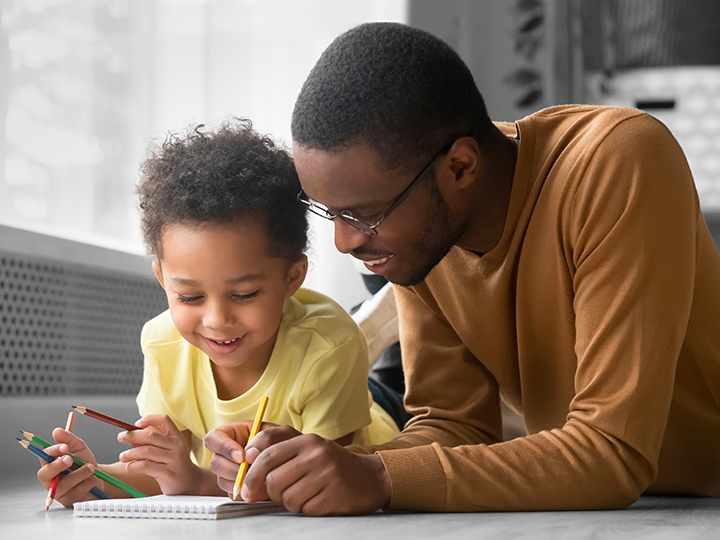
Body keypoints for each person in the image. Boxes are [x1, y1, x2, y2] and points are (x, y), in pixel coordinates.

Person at [204, 23, 720, 515]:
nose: (345, 242)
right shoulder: (424, 237)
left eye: (364, 214)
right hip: (620, 511)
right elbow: (451, 427)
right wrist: (321, 468)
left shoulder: (618, 161)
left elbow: (613, 451)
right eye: (330, 213)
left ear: (461, 168)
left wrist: (380, 477)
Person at [34, 118, 399, 506]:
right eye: (189, 297)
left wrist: (193, 479)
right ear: (162, 279)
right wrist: (93, 479)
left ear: (293, 277)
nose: (216, 321)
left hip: (383, 420)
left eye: (244, 294)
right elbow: (165, 475)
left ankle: (390, 308)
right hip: (328, 373)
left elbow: (312, 485)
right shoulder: (162, 343)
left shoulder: (331, 346)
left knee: (396, 367)